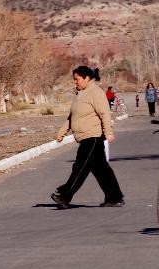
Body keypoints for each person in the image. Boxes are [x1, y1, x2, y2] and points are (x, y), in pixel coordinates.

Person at [51, 66, 125, 209]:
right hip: (85, 137)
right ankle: (115, 197)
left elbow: (105, 113)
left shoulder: (95, 92)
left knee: (80, 166)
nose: (75, 82)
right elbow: (72, 116)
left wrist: (108, 132)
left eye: (77, 79)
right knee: (102, 170)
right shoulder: (80, 94)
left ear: (86, 78)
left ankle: (65, 195)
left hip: (93, 137)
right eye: (74, 80)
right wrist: (62, 132)